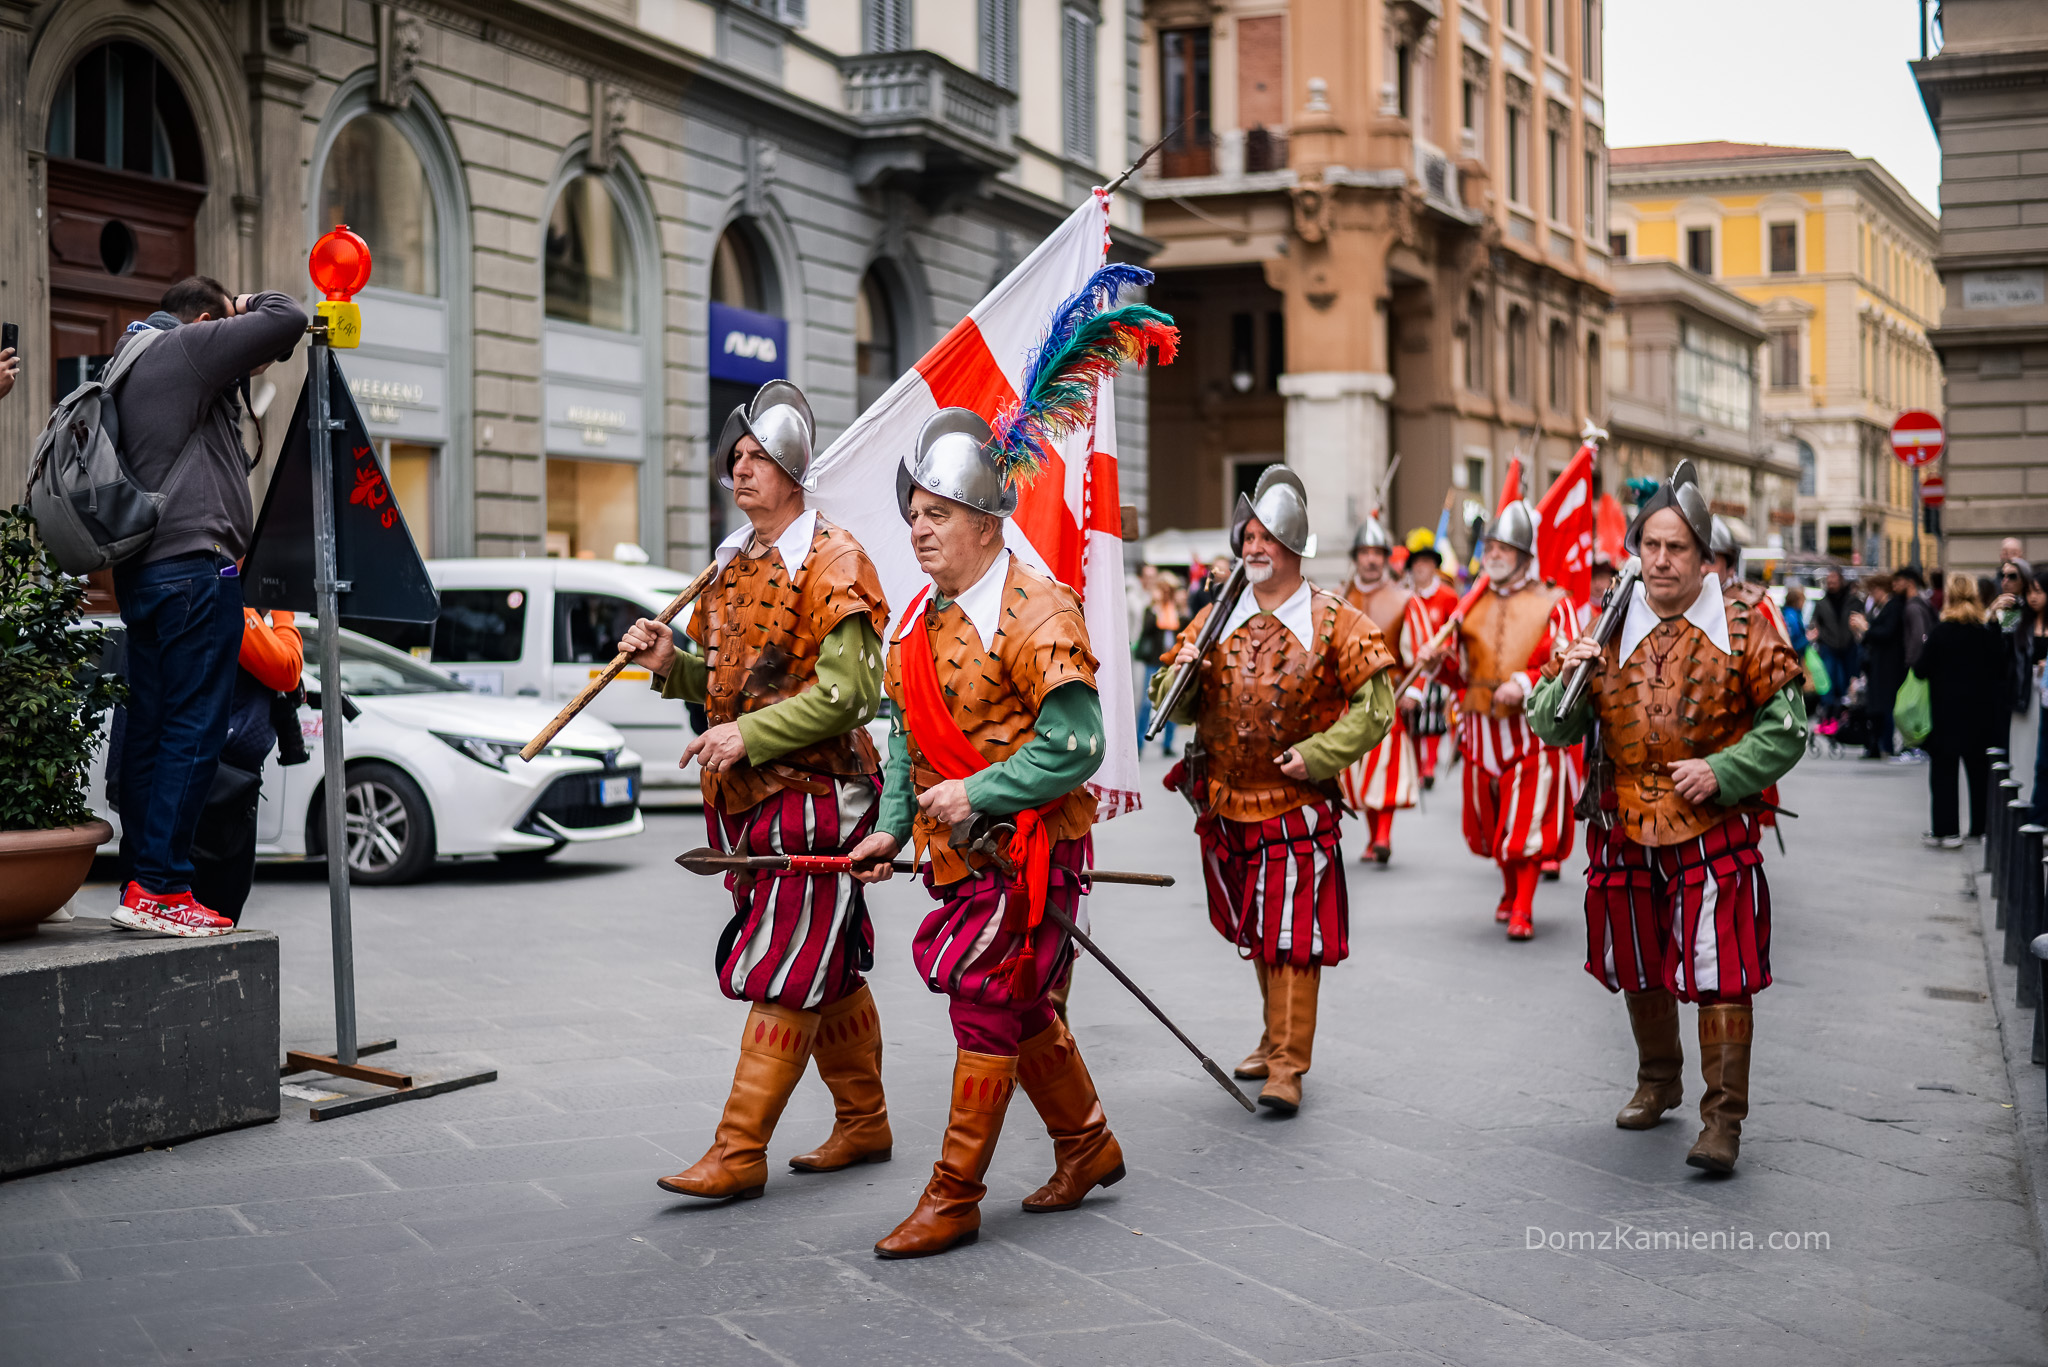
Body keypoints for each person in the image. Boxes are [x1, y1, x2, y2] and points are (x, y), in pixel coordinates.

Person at [847, 408, 1121, 1260]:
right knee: (1022, 1002)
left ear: (985, 522)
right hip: (963, 851)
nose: (919, 529)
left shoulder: (1041, 610)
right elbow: (906, 738)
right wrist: (890, 829)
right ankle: (1085, 1142)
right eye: (915, 514)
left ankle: (955, 1193)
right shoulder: (918, 623)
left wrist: (982, 789)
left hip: (1033, 850)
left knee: (985, 1000)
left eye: (937, 514)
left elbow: (1079, 744)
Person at [620, 380, 897, 1206]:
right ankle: (866, 1118)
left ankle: (738, 1149)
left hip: (820, 793)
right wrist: (675, 666)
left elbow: (851, 694)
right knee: (827, 965)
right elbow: (738, 681)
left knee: (783, 965)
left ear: (793, 469)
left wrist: (749, 735)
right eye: (734, 457)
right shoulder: (731, 559)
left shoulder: (835, 558)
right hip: (750, 800)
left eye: (757, 457)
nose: (740, 469)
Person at [1530, 460, 1806, 1175]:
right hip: (1622, 822)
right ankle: (1658, 1080)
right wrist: (1566, 678)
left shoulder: (1746, 625)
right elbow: (1552, 729)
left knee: (1722, 969)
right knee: (1637, 960)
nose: (1659, 560)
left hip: (1712, 828)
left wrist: (1722, 769)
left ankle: (1722, 1119)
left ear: (1704, 556)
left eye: (1675, 547)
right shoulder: (1608, 620)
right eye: (1649, 545)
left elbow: (1788, 729)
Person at [1152, 466, 1395, 1111]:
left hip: (1296, 805)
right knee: (1261, 929)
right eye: (1248, 535)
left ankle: (1289, 1063)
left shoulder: (1335, 621)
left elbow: (1376, 709)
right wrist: (1180, 675)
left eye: (1268, 537)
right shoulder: (1214, 616)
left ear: (1294, 546)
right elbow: (1172, 710)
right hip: (1225, 800)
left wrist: (1318, 755)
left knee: (1293, 937)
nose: (1254, 547)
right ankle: (1271, 1035)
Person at [107, 277, 308, 938]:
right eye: (221, 325)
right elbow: (288, 318)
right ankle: (163, 884)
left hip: (147, 569)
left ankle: (143, 879)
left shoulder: (132, 358)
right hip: (197, 567)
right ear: (201, 319)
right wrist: (247, 305)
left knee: (155, 726)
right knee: (195, 727)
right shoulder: (186, 349)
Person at [1416, 501, 1580, 939]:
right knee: (1493, 825)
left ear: (1525, 554)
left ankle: (1523, 905)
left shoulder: (1553, 602)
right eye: (1490, 545)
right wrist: (1435, 664)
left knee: (1524, 823)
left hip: (1529, 735)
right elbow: (1460, 674)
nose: (1494, 553)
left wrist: (1526, 683)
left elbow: (1565, 659)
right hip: (1479, 734)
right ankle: (1509, 892)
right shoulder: (1467, 606)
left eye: (1504, 546)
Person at [1338, 516, 1427, 863]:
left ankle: (1384, 836)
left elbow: (1419, 652)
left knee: (1384, 770)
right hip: (1347, 698)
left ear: (1386, 557)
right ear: (1356, 557)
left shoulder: (1405, 599)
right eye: (1364, 552)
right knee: (1358, 775)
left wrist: (1414, 691)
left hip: (1387, 695)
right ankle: (1374, 837)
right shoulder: (1339, 597)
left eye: (1377, 552)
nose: (1371, 559)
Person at [1911, 576, 2005, 846]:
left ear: (1949, 597)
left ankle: (1946, 830)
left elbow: (1920, 669)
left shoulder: (1941, 632)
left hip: (1945, 714)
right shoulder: (1984, 631)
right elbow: (2000, 668)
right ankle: (1980, 829)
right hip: (1980, 714)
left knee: (1943, 772)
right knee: (1979, 773)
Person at [1406, 542, 1460, 788]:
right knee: (1413, 717)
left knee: (1434, 714)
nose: (1421, 568)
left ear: (1434, 568)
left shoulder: (1447, 596)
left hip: (1437, 665)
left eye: (1426, 564)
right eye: (1417, 564)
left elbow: (1456, 629)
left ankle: (1429, 766)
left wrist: (1441, 651)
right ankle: (1418, 765)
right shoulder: (1406, 597)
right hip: (1412, 666)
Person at [1132, 569, 1182, 755]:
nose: (1167, 593)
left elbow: (1184, 630)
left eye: (1170, 589)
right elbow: (1147, 631)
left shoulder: (1177, 610)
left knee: (1171, 702)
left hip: (1172, 662)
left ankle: (1168, 744)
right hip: (1154, 660)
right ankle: (1139, 743)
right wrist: (1156, 608)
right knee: (1146, 703)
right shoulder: (1151, 609)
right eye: (1164, 589)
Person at [1809, 569, 1859, 724]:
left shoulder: (1852, 600)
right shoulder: (1822, 602)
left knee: (1844, 680)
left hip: (1848, 646)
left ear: (1841, 582)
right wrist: (1815, 633)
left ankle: (1841, 711)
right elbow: (1814, 622)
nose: (1831, 584)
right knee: (1829, 679)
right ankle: (1828, 712)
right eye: (1829, 582)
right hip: (1828, 646)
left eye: (1834, 581)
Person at [1781, 585, 1809, 654]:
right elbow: (1793, 644)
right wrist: (1807, 639)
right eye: (1803, 600)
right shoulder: (1792, 617)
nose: (1804, 604)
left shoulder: (1789, 614)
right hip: (1793, 655)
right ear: (1797, 601)